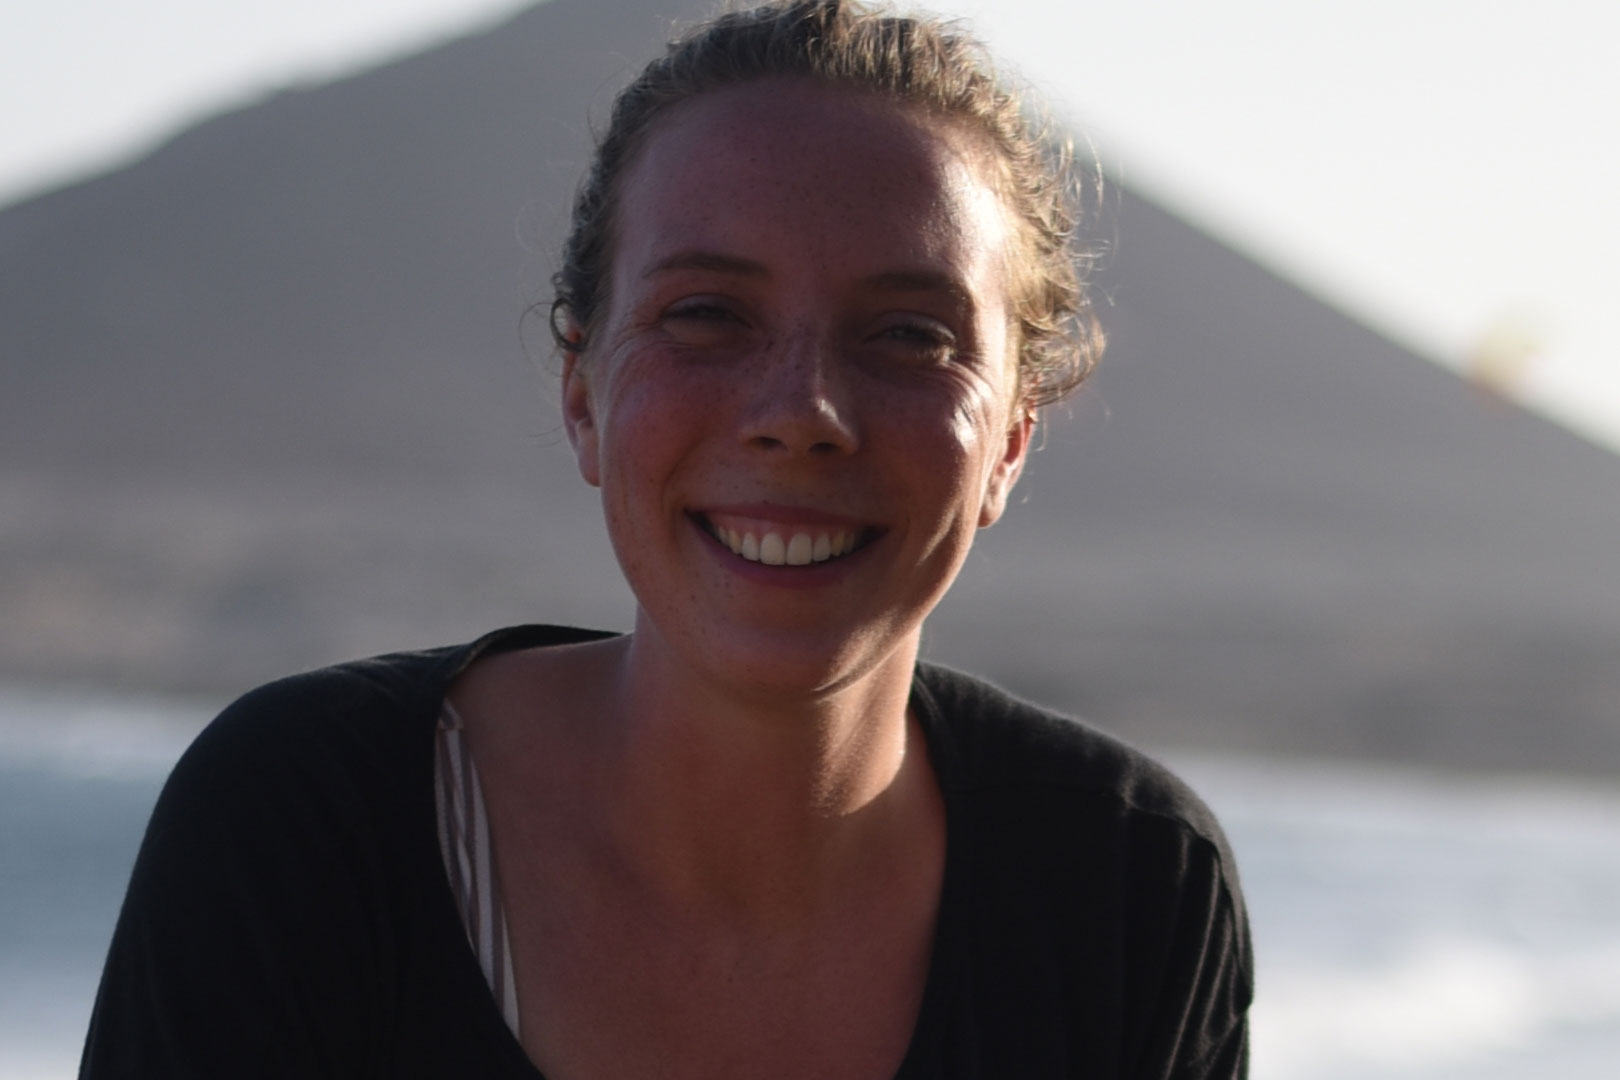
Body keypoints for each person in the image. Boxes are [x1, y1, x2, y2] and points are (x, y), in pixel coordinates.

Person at [80, 2, 1251, 1077]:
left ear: (1010, 441)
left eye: (910, 334)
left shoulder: (1128, 892)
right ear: (582, 393)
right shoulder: (306, 828)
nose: (802, 413)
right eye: (706, 315)